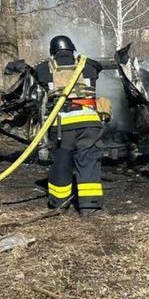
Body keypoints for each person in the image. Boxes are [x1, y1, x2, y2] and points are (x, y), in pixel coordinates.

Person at [35, 35, 105, 213]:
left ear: (53, 52)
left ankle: (59, 203)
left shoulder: (44, 69)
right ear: (72, 49)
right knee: (89, 162)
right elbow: (99, 67)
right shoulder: (88, 65)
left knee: (62, 163)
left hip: (62, 126)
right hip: (89, 123)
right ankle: (90, 207)